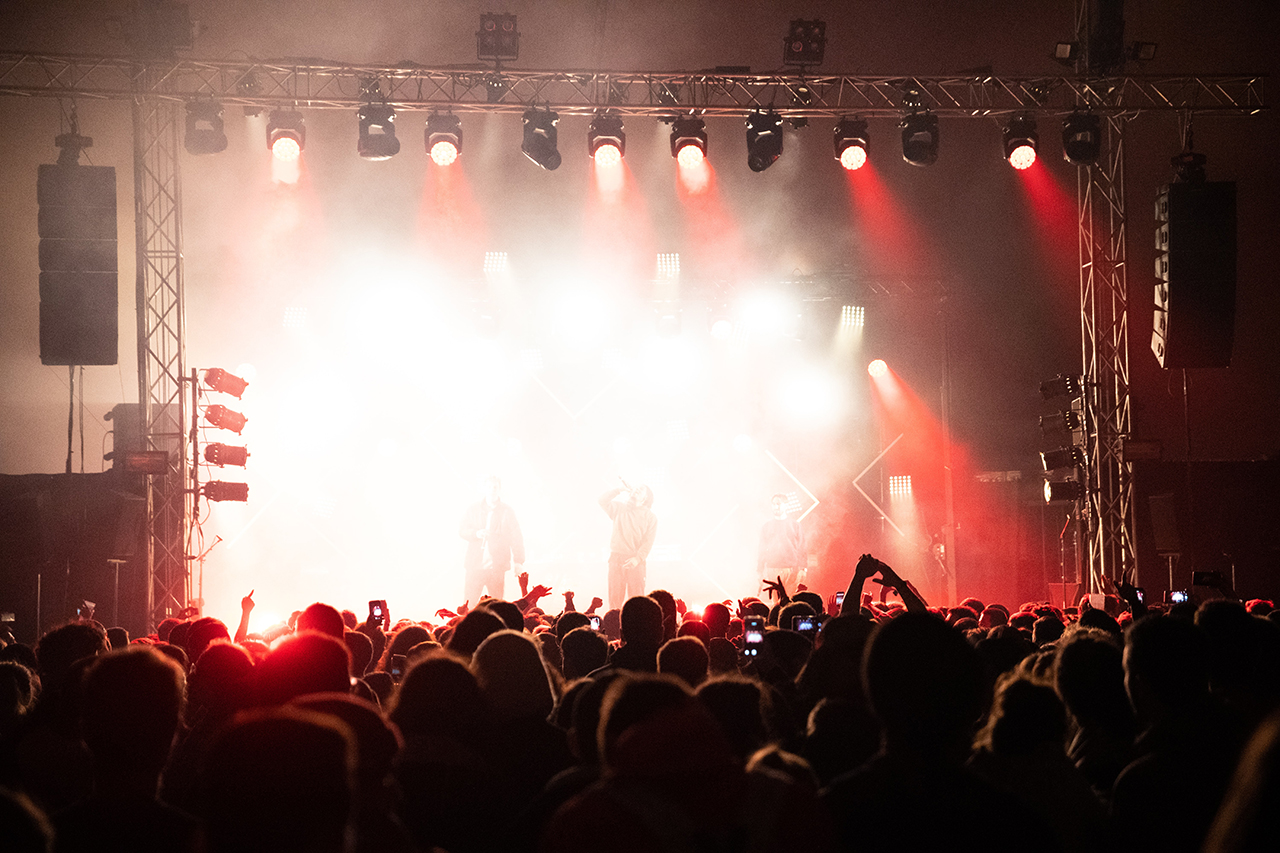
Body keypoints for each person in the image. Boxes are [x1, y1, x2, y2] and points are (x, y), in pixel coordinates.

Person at [459, 475, 525, 604]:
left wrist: (518, 561)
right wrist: (476, 533)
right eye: (489, 486)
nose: (492, 489)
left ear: (499, 489)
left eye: (495, 487)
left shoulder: (507, 511)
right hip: (474, 566)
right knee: (468, 604)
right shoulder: (473, 509)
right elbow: (462, 530)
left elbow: (516, 536)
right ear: (484, 488)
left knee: (497, 606)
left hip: (497, 567)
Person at [598, 482, 657, 610]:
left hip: (636, 561)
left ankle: (636, 628)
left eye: (640, 489)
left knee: (637, 603)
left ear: (645, 497)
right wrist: (619, 489)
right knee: (614, 601)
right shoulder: (619, 508)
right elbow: (602, 500)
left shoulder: (650, 517)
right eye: (635, 487)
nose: (636, 489)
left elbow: (648, 542)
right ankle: (613, 627)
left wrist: (637, 559)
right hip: (616, 559)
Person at [758, 493, 806, 593]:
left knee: (789, 602)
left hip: (791, 569)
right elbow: (761, 550)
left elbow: (802, 548)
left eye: (778, 504)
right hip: (772, 569)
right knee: (776, 603)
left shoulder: (795, 525)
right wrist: (760, 570)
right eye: (774, 504)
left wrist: (803, 569)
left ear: (786, 505)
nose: (776, 507)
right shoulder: (767, 526)